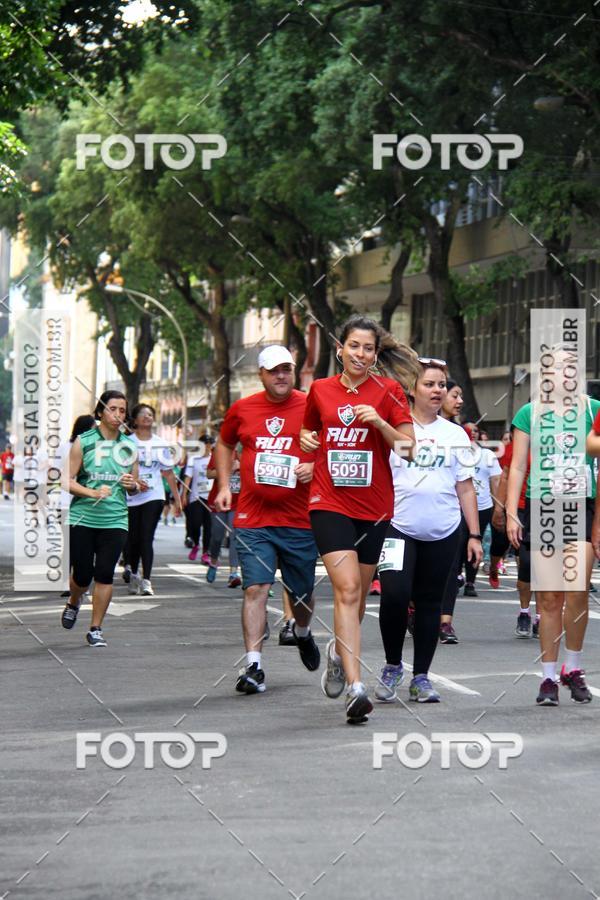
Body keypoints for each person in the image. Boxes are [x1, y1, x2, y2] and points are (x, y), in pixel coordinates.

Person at [300, 316, 417, 723]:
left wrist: (379, 422)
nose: (360, 354)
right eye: (354, 345)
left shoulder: (390, 391)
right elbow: (309, 432)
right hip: (328, 502)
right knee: (347, 590)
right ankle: (355, 688)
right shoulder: (319, 390)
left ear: (374, 354)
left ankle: (336, 653)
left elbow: (407, 450)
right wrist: (306, 441)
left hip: (374, 508)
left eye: (368, 348)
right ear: (340, 348)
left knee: (359, 599)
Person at [215, 345, 320, 695]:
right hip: (253, 517)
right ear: (261, 374)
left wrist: (314, 466)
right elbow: (225, 442)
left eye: (286, 369)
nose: (281, 376)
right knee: (256, 588)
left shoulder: (311, 405)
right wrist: (224, 484)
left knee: (302, 595)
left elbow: (333, 446)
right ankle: (254, 667)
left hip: (299, 519)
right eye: (274, 370)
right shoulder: (243, 409)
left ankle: (302, 632)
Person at [376, 360, 482, 702]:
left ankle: (421, 677)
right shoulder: (396, 430)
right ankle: (393, 665)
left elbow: (466, 487)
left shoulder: (455, 434)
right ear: (412, 389)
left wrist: (475, 535)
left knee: (429, 604)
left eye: (441, 385)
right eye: (430, 384)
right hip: (398, 528)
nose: (437, 390)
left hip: (444, 530)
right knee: (393, 595)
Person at [507, 376, 599, 705]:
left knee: (576, 592)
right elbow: (517, 465)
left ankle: (572, 668)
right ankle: (548, 678)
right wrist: (511, 510)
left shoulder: (593, 409)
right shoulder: (530, 413)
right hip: (543, 509)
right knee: (548, 599)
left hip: (580, 507)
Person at [61, 391, 139, 647]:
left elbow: (135, 484)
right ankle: (74, 600)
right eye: (112, 409)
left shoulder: (129, 446)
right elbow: (66, 481)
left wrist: (132, 484)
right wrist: (92, 492)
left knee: (105, 573)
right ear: (100, 413)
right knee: (82, 575)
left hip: (115, 519)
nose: (118, 415)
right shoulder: (83, 442)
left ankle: (96, 628)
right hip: (83, 516)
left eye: (122, 410)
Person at [124, 404, 182, 596]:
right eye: (143, 414)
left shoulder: (160, 443)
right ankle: (133, 574)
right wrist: (134, 481)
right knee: (133, 539)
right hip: (131, 496)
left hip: (154, 495)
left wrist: (177, 499)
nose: (148, 417)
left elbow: (168, 472)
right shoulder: (127, 442)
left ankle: (147, 580)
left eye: (150, 414)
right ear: (135, 420)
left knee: (146, 537)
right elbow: (120, 471)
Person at [490, 427, 537, 637]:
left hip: (546, 507)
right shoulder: (517, 446)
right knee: (526, 562)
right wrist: (500, 509)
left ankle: (542, 616)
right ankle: (524, 611)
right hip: (519, 508)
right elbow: (506, 477)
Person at [460, 422, 501, 597]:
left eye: (476, 430)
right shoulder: (455, 452)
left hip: (483, 507)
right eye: (468, 430)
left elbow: (496, 481)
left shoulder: (487, 455)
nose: (473, 433)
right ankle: (455, 575)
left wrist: (499, 506)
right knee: (459, 544)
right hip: (458, 507)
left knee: (475, 541)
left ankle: (470, 581)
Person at [205, 448, 241, 587]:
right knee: (217, 536)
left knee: (235, 536)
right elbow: (209, 474)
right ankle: (214, 562)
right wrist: (227, 469)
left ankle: (233, 573)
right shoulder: (221, 450)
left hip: (238, 502)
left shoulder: (249, 450)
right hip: (218, 501)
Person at [183, 435, 214, 563]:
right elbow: (188, 478)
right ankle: (196, 544)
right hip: (196, 496)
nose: (207, 446)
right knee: (195, 523)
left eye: (209, 443)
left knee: (209, 526)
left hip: (211, 497)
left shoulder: (215, 459)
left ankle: (206, 552)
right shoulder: (193, 459)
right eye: (204, 443)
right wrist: (184, 494)